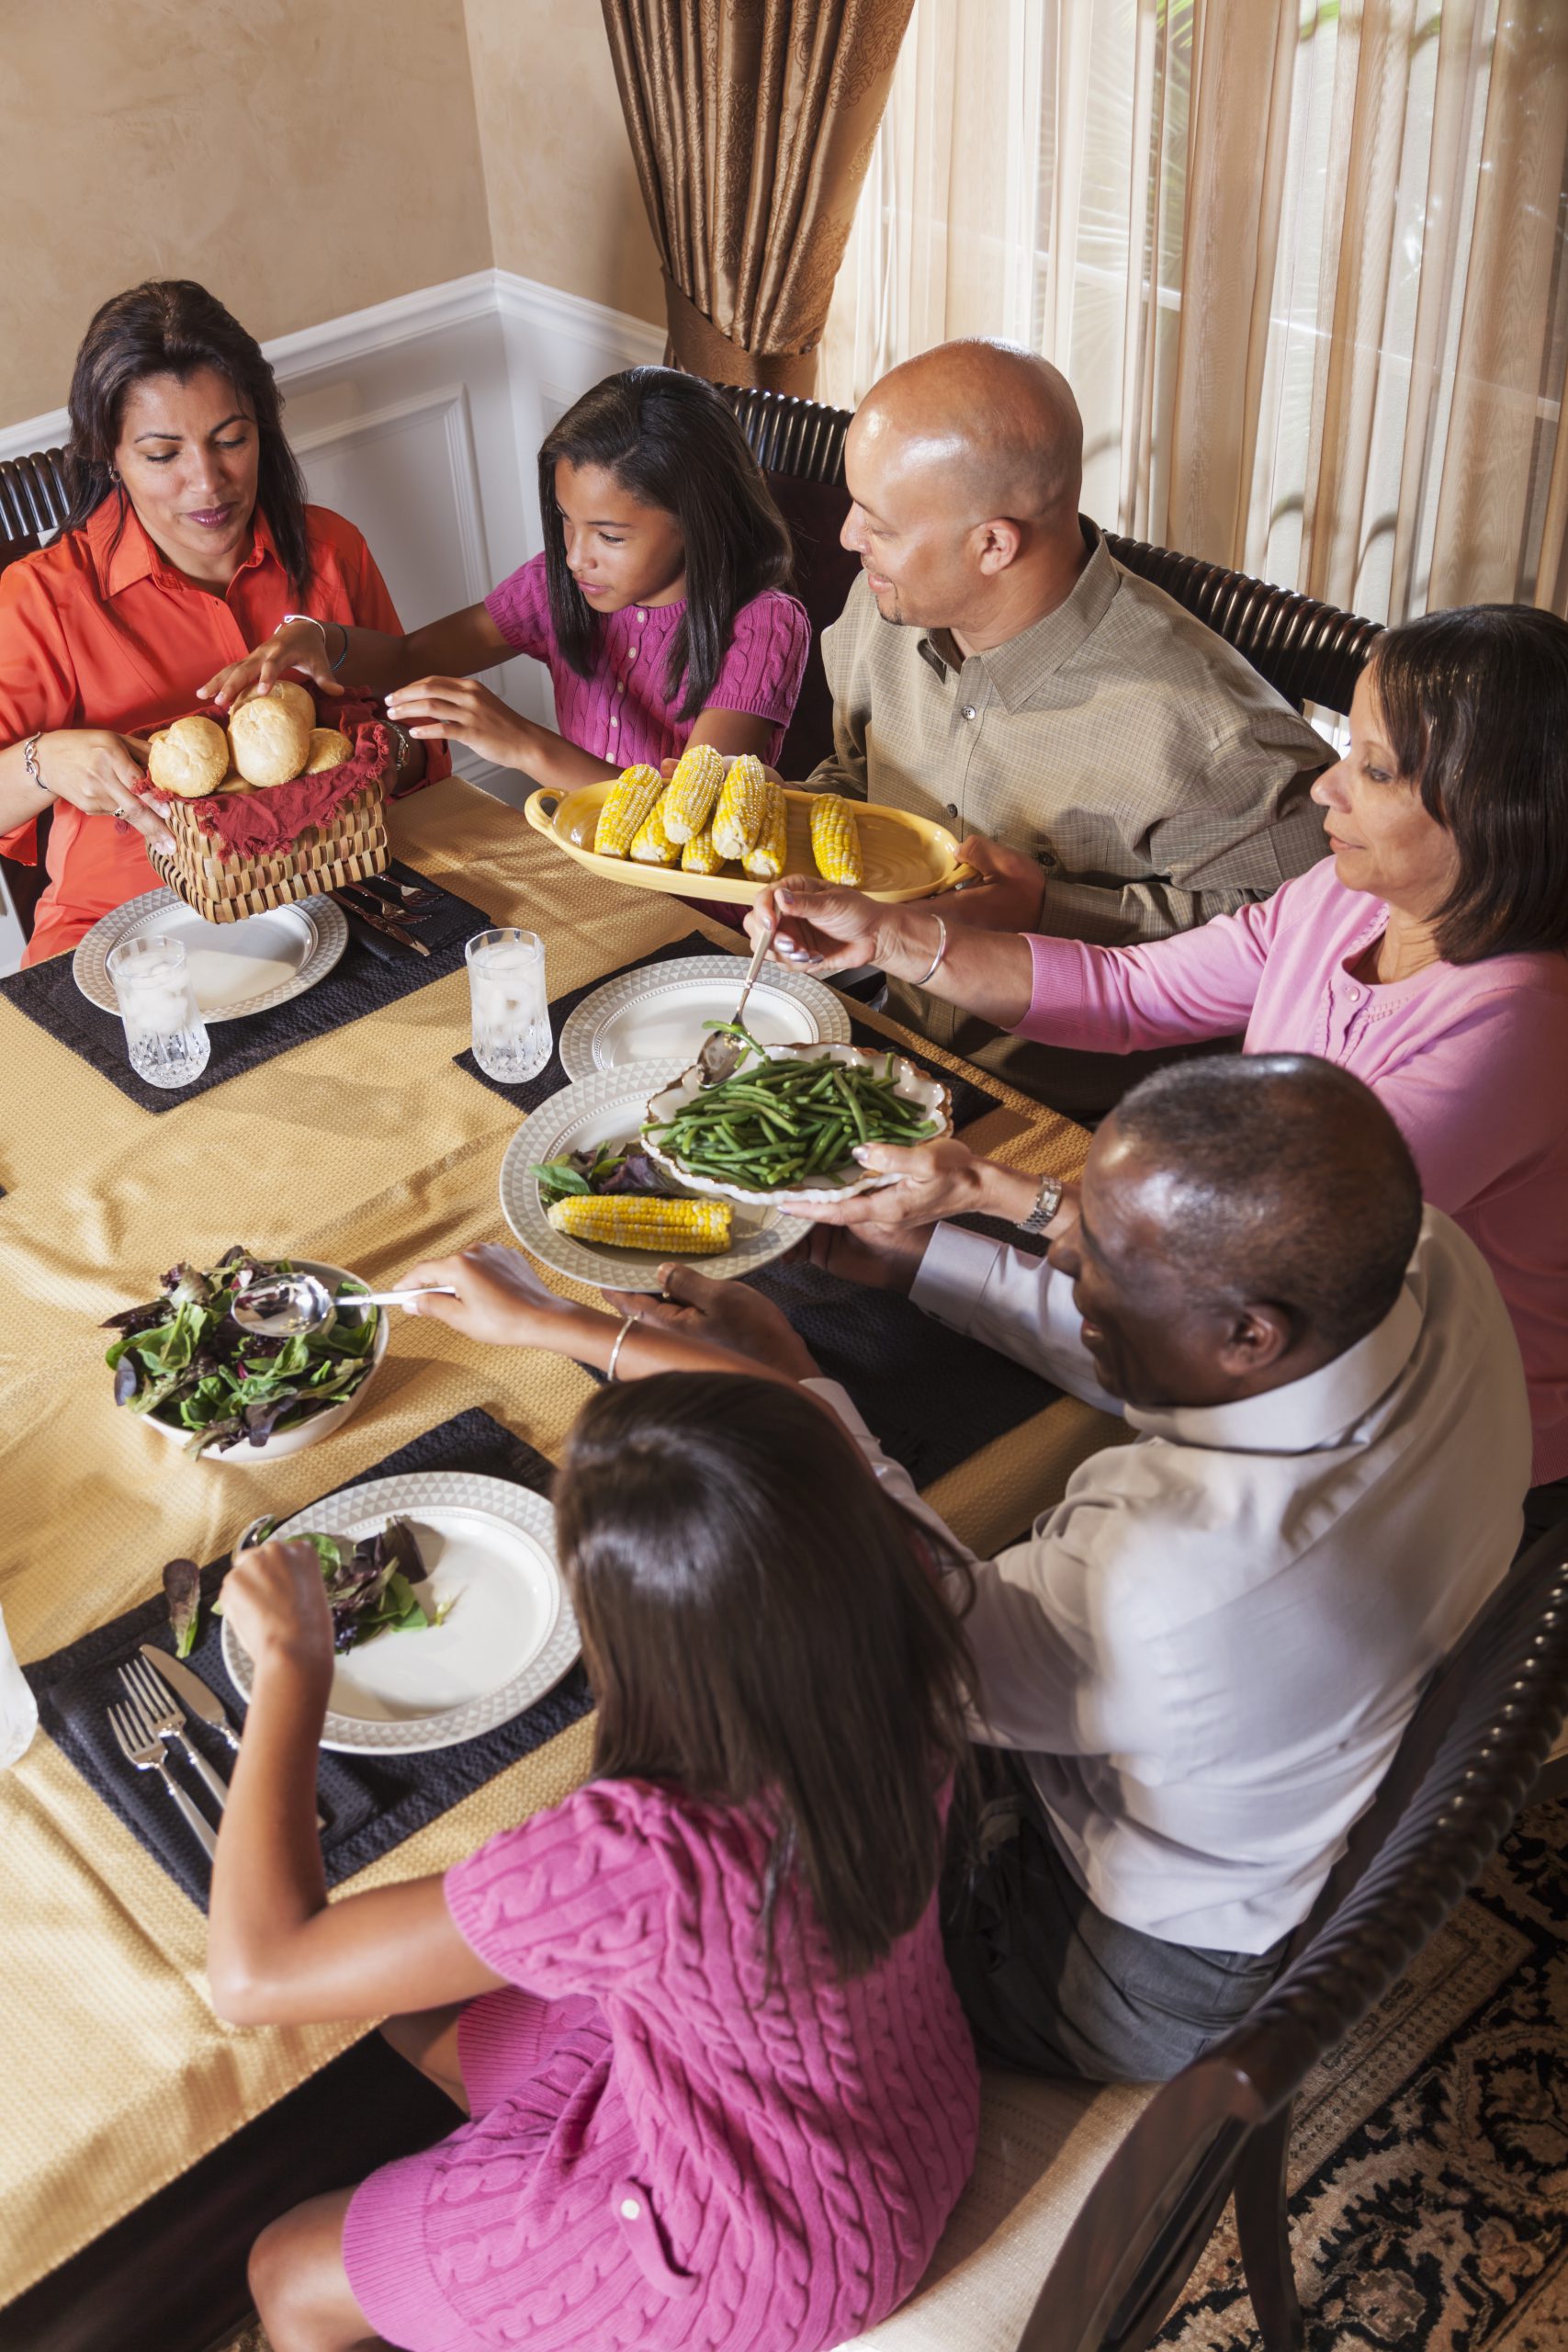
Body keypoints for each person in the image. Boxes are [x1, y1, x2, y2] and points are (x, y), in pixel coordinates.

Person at [395, 1055, 1529, 2086]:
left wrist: (725, 1367)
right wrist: (933, 1259)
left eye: (1107, 1262)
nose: (1066, 1249)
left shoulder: (1185, 1581)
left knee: (745, 1776)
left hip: (1108, 1967)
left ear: (1251, 1336)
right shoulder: (1422, 1253)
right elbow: (1153, 1347)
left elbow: (909, 1621)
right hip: (1286, 1771)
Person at [214, 1373, 980, 2352]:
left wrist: (293, 1658)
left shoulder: (645, 1849)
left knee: (286, 2268)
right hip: (895, 2107)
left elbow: (254, 1975)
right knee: (421, 2013)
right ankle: (488, 2208)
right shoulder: (901, 1609)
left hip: (753, 2256)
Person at [751, 605, 1568, 1502]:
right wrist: (887, 936)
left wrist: (995, 1195)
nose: (1328, 788)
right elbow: (1135, 991)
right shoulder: (1348, 897)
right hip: (1238, 1318)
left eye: (1372, 769)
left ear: (1500, 816)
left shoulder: (1521, 1031)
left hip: (1418, 1445)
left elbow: (1248, 1257)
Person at [805, 338, 1334, 1112]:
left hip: (1075, 1120)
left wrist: (1053, 909)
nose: (850, 539)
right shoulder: (886, 602)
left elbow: (1306, 941)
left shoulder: (1210, 728)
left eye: (876, 524)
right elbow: (851, 775)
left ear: (993, 543)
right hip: (890, 1046)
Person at [0, 279, 440, 967]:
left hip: (340, 896)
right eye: (162, 455)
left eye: (231, 439)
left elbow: (422, 743)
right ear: (107, 455)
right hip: (124, 932)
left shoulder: (330, 550)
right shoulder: (42, 599)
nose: (208, 484)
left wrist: (379, 759)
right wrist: (42, 762)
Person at [201, 367, 811, 797]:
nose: (575, 557)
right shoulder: (559, 587)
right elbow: (411, 657)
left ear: (697, 522)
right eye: (565, 524)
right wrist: (323, 638)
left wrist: (522, 743)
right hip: (588, 873)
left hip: (706, 913)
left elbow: (685, 817)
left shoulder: (764, 625)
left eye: (609, 536)